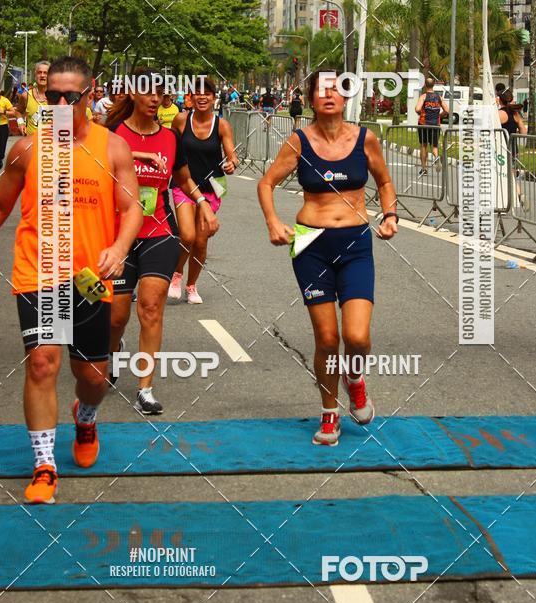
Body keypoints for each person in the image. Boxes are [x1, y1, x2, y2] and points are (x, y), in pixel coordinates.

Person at [0, 56, 143, 503]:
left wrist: (119, 248)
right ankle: (44, 465)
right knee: (43, 363)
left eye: (71, 96)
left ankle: (85, 417)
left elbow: (132, 208)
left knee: (93, 377)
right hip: (40, 271)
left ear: (90, 93)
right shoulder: (28, 150)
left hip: (90, 278)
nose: (61, 105)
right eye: (53, 96)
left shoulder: (112, 148)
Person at [258, 71, 398, 446]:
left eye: (336, 88)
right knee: (326, 338)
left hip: (355, 242)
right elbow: (266, 183)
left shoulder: (365, 139)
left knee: (357, 337)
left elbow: (384, 181)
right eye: (321, 90)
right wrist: (273, 222)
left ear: (346, 96)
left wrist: (390, 215)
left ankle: (354, 377)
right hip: (309, 244)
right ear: (311, 100)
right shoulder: (299, 141)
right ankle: (329, 412)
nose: (329, 95)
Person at [105, 73, 218, 412]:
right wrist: (138, 155)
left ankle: (145, 388)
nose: (155, 98)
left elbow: (183, 178)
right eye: (148, 92)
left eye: (160, 93)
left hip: (158, 232)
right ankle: (113, 352)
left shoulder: (170, 138)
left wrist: (202, 203)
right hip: (119, 237)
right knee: (116, 317)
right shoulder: (113, 134)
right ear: (132, 94)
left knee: (151, 309)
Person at [169, 77, 237, 304]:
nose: (202, 97)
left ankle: (191, 285)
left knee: (200, 241)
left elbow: (232, 155)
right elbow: (170, 148)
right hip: (185, 185)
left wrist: (231, 163)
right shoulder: (180, 120)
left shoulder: (222, 125)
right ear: (190, 97)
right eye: (197, 93)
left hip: (212, 187)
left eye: (207, 93)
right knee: (187, 235)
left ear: (213, 98)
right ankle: (176, 274)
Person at [499, 88, 528, 209]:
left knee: (503, 175)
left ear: (500, 100)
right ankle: (519, 195)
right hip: (513, 149)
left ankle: (517, 195)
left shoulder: (500, 114)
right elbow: (524, 132)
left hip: (501, 149)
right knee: (510, 174)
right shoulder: (515, 114)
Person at [415, 77, 448, 177]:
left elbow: (417, 109)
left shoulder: (423, 96)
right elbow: (447, 110)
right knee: (434, 146)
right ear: (433, 85)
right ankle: (437, 157)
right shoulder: (439, 97)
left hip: (424, 124)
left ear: (425, 85)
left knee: (423, 146)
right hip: (435, 125)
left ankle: (424, 169)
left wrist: (421, 113)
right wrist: (439, 116)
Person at [15, 60, 50, 135]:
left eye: (45, 73)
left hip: (50, 141)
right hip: (31, 140)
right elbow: (18, 111)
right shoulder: (26, 95)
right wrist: (20, 123)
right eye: (39, 72)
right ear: (35, 75)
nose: (42, 75)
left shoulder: (58, 97)